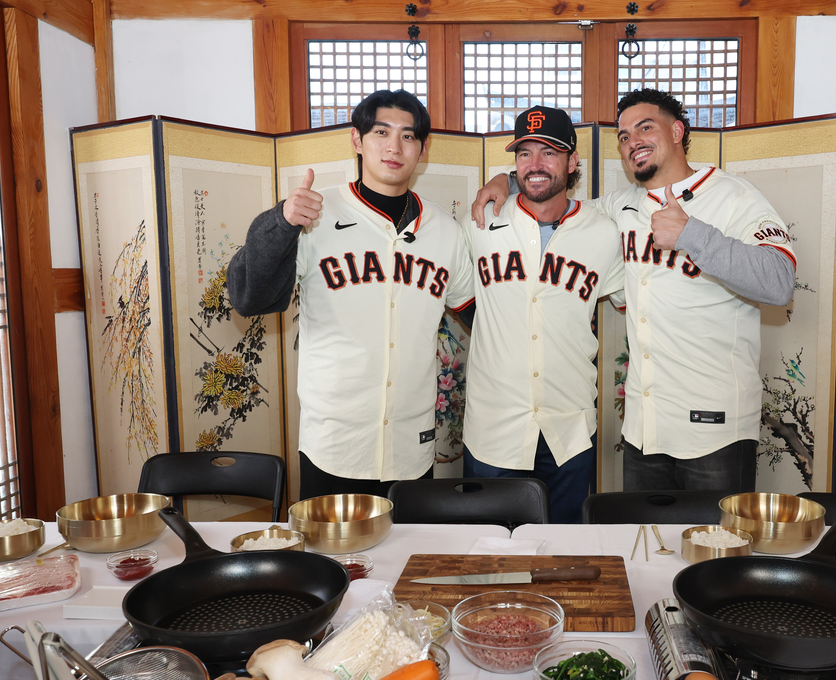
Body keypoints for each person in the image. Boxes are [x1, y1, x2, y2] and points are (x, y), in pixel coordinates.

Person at [472, 88, 796, 493]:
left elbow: (780, 282)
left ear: (678, 130)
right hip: (644, 429)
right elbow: (552, 199)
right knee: (645, 549)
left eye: (646, 127)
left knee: (715, 550)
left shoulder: (733, 195)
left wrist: (692, 234)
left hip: (715, 429)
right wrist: (506, 180)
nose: (633, 141)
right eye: (624, 136)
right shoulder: (618, 208)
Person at [228, 89, 472, 500]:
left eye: (409, 136)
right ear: (357, 141)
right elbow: (249, 297)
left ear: (423, 149)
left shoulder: (445, 230)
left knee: (409, 561)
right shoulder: (312, 215)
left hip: (412, 446)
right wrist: (280, 223)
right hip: (335, 445)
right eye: (381, 132)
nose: (394, 146)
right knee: (332, 562)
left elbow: (479, 311)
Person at [454, 106, 624, 523]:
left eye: (549, 152)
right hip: (495, 426)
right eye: (524, 153)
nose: (535, 164)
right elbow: (461, 301)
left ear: (572, 161)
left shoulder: (603, 231)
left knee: (562, 551)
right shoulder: (479, 222)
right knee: (490, 553)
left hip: (567, 428)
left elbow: (636, 304)